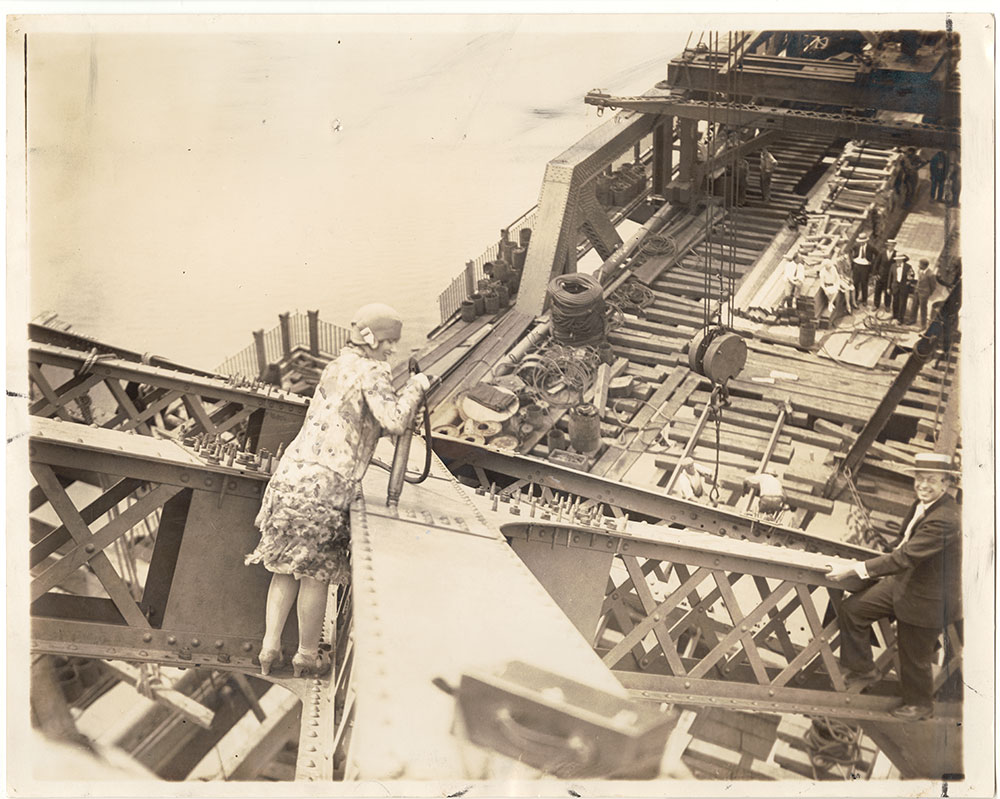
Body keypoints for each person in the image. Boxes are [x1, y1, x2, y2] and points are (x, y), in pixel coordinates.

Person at [245, 303, 432, 677]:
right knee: (314, 574)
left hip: (289, 478)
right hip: (325, 487)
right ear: (373, 338)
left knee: (282, 569)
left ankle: (269, 650)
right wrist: (416, 387)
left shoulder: (336, 365)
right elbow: (394, 421)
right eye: (390, 342)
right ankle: (306, 655)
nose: (393, 350)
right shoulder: (373, 371)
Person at [825, 452, 961, 721]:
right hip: (905, 582)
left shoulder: (946, 518)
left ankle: (920, 706)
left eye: (930, 480)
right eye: (919, 479)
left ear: (946, 483)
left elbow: (907, 556)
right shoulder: (921, 505)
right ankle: (864, 668)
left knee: (914, 656)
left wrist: (859, 569)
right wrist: (879, 562)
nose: (922, 485)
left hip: (929, 598)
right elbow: (902, 544)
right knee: (853, 609)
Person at [850, 231, 879, 307]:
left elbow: (877, 254)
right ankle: (855, 299)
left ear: (866, 241)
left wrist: (872, 262)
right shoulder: (856, 246)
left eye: (863, 242)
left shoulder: (870, 247)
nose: (861, 243)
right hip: (856, 266)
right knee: (855, 283)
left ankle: (864, 300)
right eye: (860, 242)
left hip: (865, 267)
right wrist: (852, 259)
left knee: (864, 283)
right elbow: (850, 251)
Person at [887, 253, 915, 324]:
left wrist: (908, 281)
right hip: (895, 287)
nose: (897, 261)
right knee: (895, 302)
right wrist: (888, 287)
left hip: (904, 288)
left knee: (902, 303)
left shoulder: (908, 267)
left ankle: (900, 319)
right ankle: (894, 316)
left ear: (902, 260)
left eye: (898, 260)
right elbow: (890, 277)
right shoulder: (893, 266)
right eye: (896, 260)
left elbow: (912, 275)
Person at [873, 238, 897, 311]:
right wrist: (875, 274)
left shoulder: (896, 254)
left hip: (890, 277)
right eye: (890, 245)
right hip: (880, 275)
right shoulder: (882, 253)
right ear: (887, 246)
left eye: (893, 246)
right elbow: (876, 264)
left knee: (888, 291)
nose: (891, 247)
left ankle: (887, 305)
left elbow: (906, 259)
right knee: (877, 291)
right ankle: (876, 305)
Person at [914, 258, 937, 328]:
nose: (918, 266)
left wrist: (928, 293)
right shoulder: (919, 271)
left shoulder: (931, 274)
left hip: (924, 294)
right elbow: (919, 280)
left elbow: (933, 286)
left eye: (920, 264)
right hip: (917, 291)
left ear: (924, 265)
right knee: (914, 306)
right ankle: (912, 320)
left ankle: (923, 325)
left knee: (923, 309)